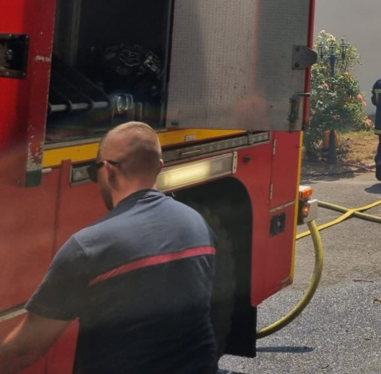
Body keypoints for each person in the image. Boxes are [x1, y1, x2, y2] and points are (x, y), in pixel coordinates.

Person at [0, 122, 218, 374]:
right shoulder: (198, 225)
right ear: (159, 166)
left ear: (107, 170)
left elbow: (25, 350)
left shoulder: (88, 248)